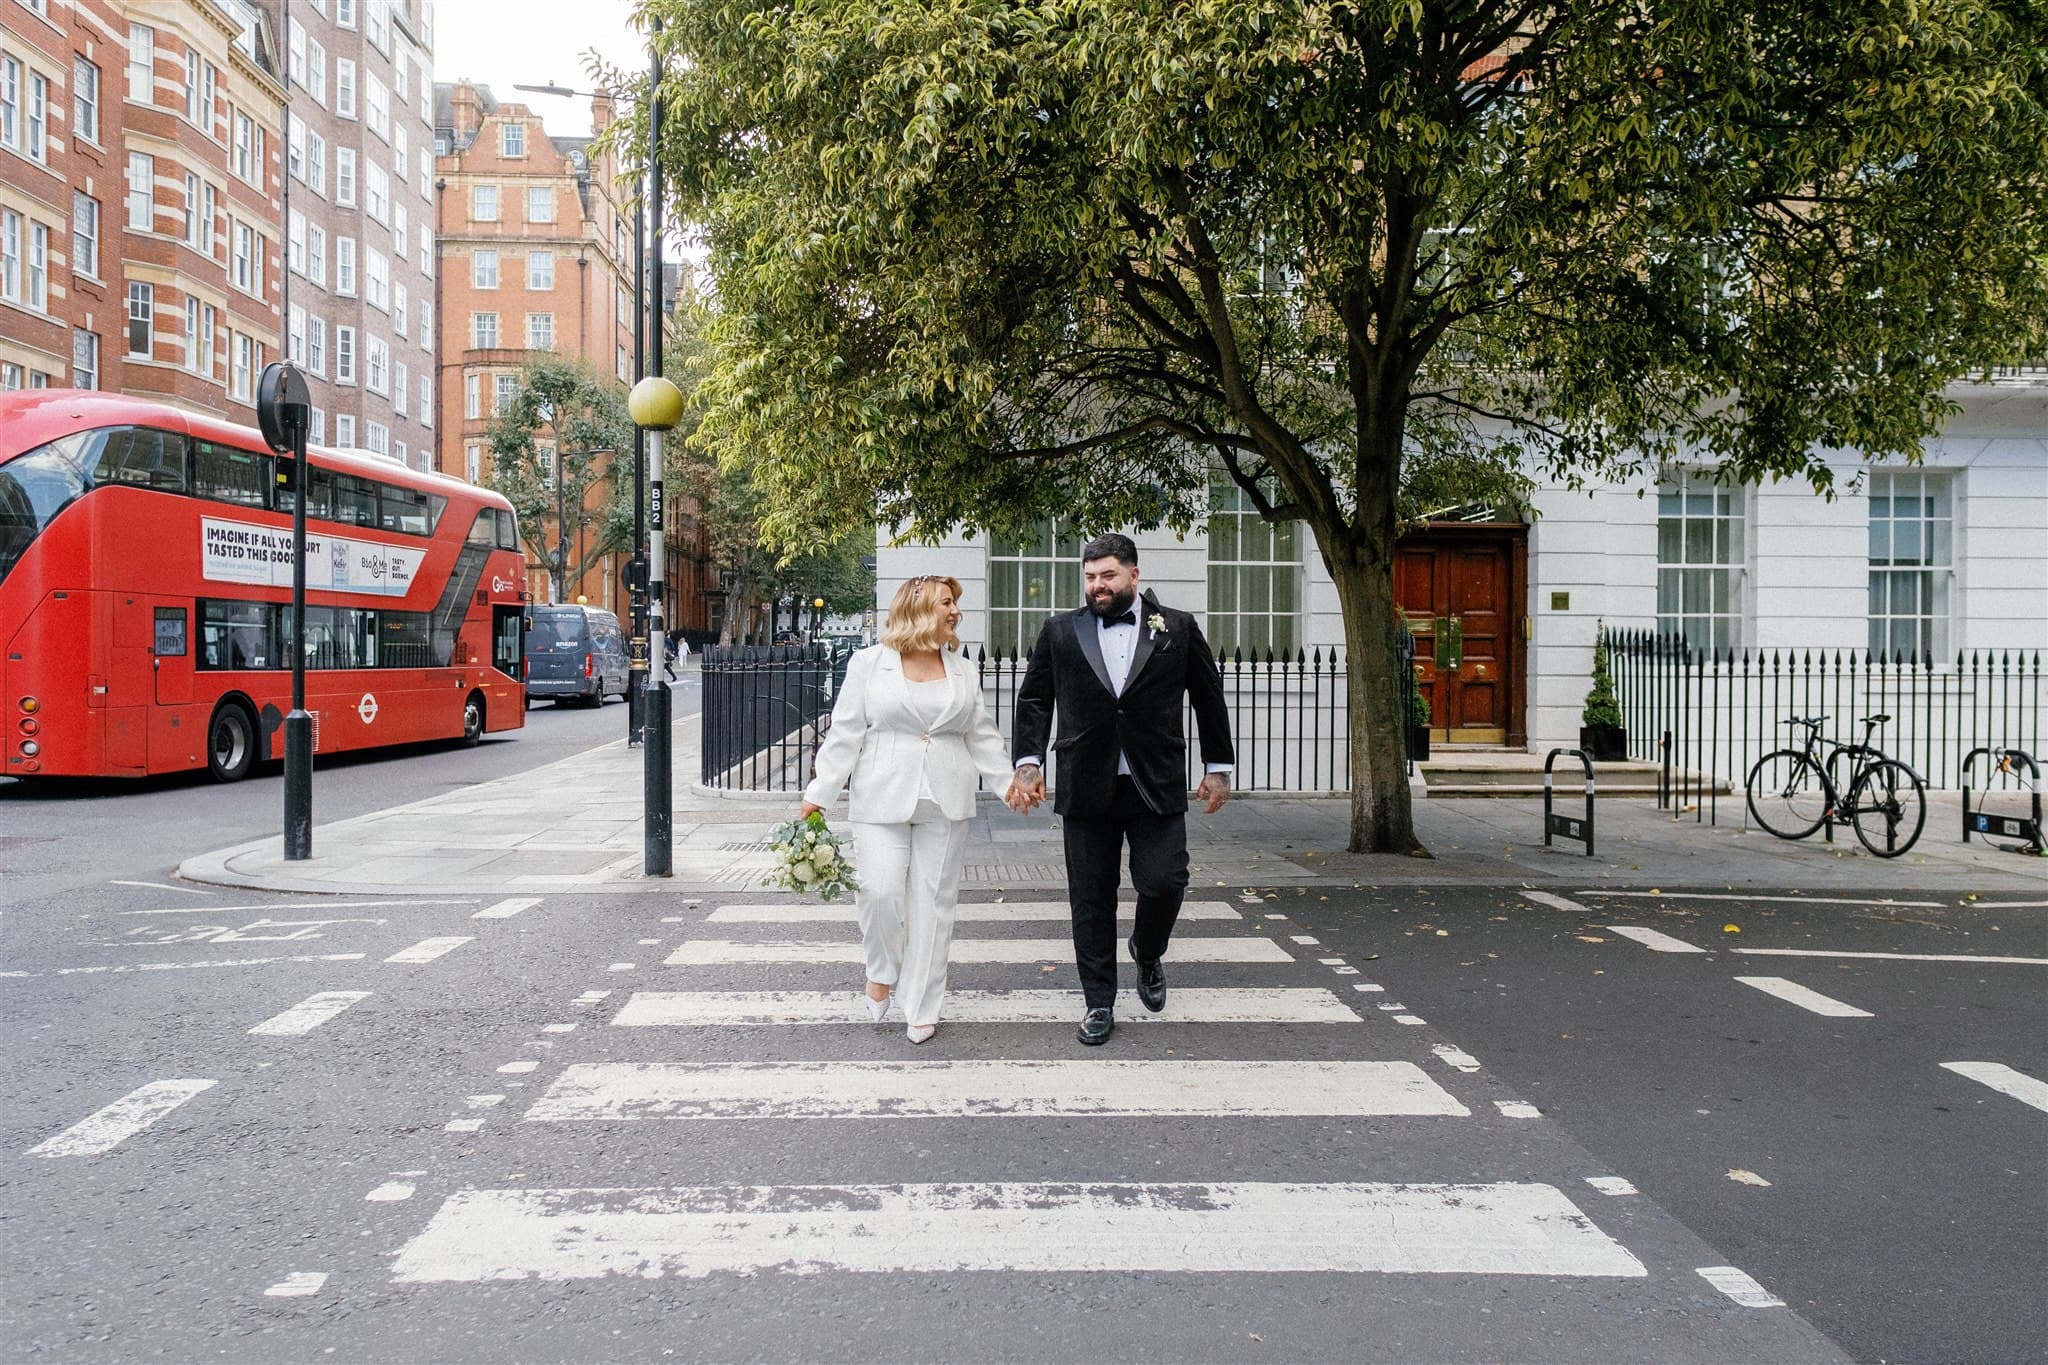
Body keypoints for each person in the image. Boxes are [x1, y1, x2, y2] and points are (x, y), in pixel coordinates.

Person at [1007, 533, 1234, 1047]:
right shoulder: (1061, 630)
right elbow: (1035, 698)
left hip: (1155, 781)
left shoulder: (1177, 627)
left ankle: (1148, 950)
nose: (1097, 586)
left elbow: (1208, 696)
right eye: (1090, 577)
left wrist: (1217, 766)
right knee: (1090, 898)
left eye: (1107, 575)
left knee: (1165, 881)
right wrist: (1028, 762)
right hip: (1087, 783)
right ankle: (1098, 1003)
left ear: (1134, 574)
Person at [800, 575, 1015, 1044]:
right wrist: (821, 791)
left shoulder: (964, 670)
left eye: (955, 603)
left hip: (946, 798)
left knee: (934, 906)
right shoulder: (869, 664)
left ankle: (921, 1002)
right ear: (919, 608)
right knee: (878, 892)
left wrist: (1008, 785)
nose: (955, 610)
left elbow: (980, 734)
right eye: (946, 603)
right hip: (880, 797)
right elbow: (846, 732)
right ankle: (880, 969)